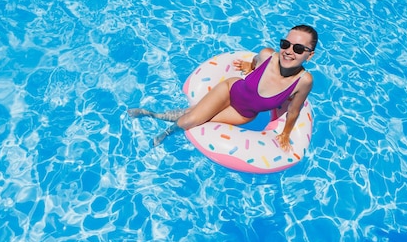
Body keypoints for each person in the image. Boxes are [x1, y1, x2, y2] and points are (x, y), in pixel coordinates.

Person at [129, 24, 318, 150]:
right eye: (286, 44)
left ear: (309, 55)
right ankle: (159, 125)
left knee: (194, 117)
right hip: (230, 90)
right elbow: (255, 59)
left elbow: (293, 111)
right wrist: (249, 67)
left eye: (299, 49)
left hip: (243, 113)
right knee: (190, 118)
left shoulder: (304, 81)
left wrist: (285, 134)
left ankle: (154, 116)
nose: (289, 51)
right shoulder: (268, 55)